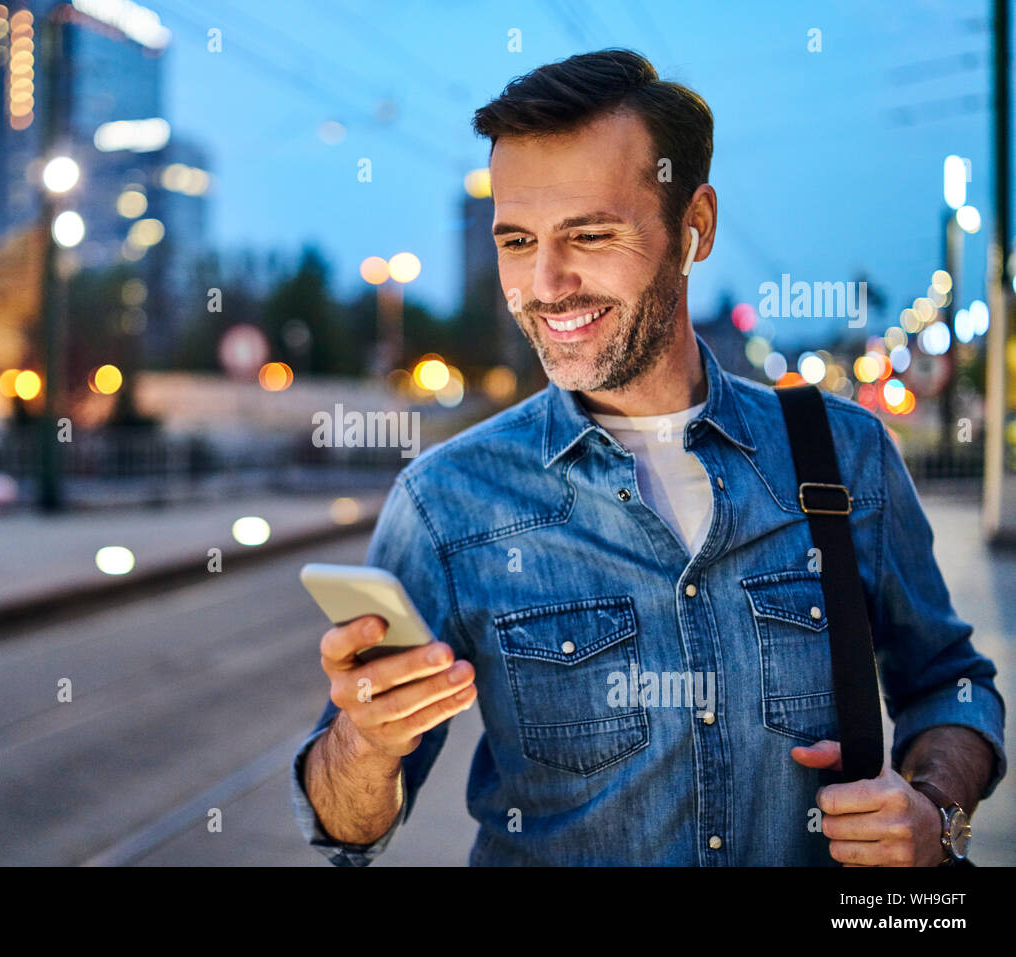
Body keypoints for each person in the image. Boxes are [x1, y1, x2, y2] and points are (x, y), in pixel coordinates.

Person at [290, 49, 1005, 866]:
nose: (546, 283)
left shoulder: (846, 455)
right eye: (517, 240)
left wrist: (933, 807)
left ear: (694, 226)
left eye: (590, 234)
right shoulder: (447, 500)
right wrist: (366, 741)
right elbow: (344, 826)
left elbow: (950, 682)